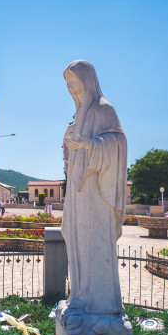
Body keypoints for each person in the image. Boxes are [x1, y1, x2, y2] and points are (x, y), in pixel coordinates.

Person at [61, 59, 126, 315]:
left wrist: (89, 145)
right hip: (78, 193)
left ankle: (100, 304)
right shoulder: (79, 115)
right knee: (77, 242)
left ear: (87, 82)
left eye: (75, 84)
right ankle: (79, 295)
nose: (72, 90)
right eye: (68, 86)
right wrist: (69, 143)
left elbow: (118, 143)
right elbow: (72, 155)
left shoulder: (104, 109)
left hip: (96, 194)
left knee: (93, 246)